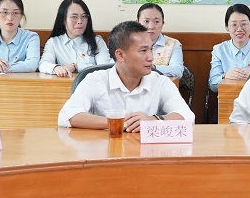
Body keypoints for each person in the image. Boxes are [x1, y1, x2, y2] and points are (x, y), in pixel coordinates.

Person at [58, 21, 194, 132]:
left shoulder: (161, 82)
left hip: (145, 153)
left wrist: (152, 120)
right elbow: (66, 115)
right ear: (120, 55)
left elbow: (187, 116)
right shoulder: (96, 80)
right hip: (106, 151)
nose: (151, 57)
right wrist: (117, 122)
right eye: (143, 50)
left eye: (151, 49)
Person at [39, 0, 112, 76]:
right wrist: (56, 68)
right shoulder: (54, 42)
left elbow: (105, 68)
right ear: (63, 20)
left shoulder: (97, 41)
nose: (80, 21)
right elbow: (43, 64)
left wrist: (76, 66)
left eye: (84, 16)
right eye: (74, 17)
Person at [208, 4, 250, 92]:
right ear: (227, 27)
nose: (239, 29)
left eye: (244, 24)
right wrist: (225, 76)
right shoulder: (219, 50)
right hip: (228, 98)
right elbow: (213, 85)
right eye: (234, 24)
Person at [137, 3, 183, 78]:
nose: (151, 27)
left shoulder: (173, 44)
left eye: (156, 22)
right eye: (146, 21)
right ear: (137, 23)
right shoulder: (129, 43)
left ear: (162, 24)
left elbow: (178, 71)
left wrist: (153, 68)